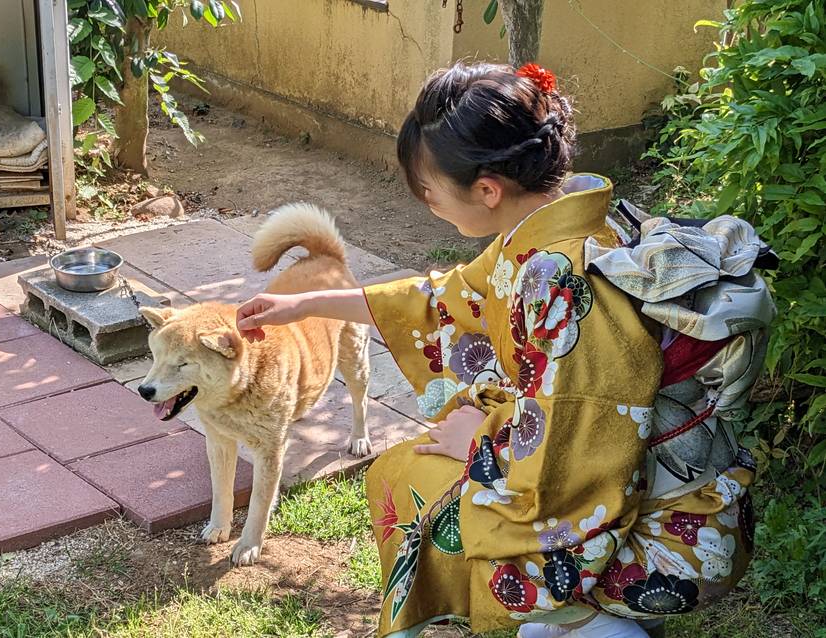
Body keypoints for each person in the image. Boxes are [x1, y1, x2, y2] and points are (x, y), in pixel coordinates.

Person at [236, 61, 762, 638]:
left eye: (431, 193)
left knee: (416, 480)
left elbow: (578, 433)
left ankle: (578, 623)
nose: (429, 203)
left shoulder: (560, 275)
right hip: (651, 481)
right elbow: (442, 300)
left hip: (670, 535)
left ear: (487, 190)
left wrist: (482, 450)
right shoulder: (567, 223)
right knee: (415, 470)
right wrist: (306, 305)